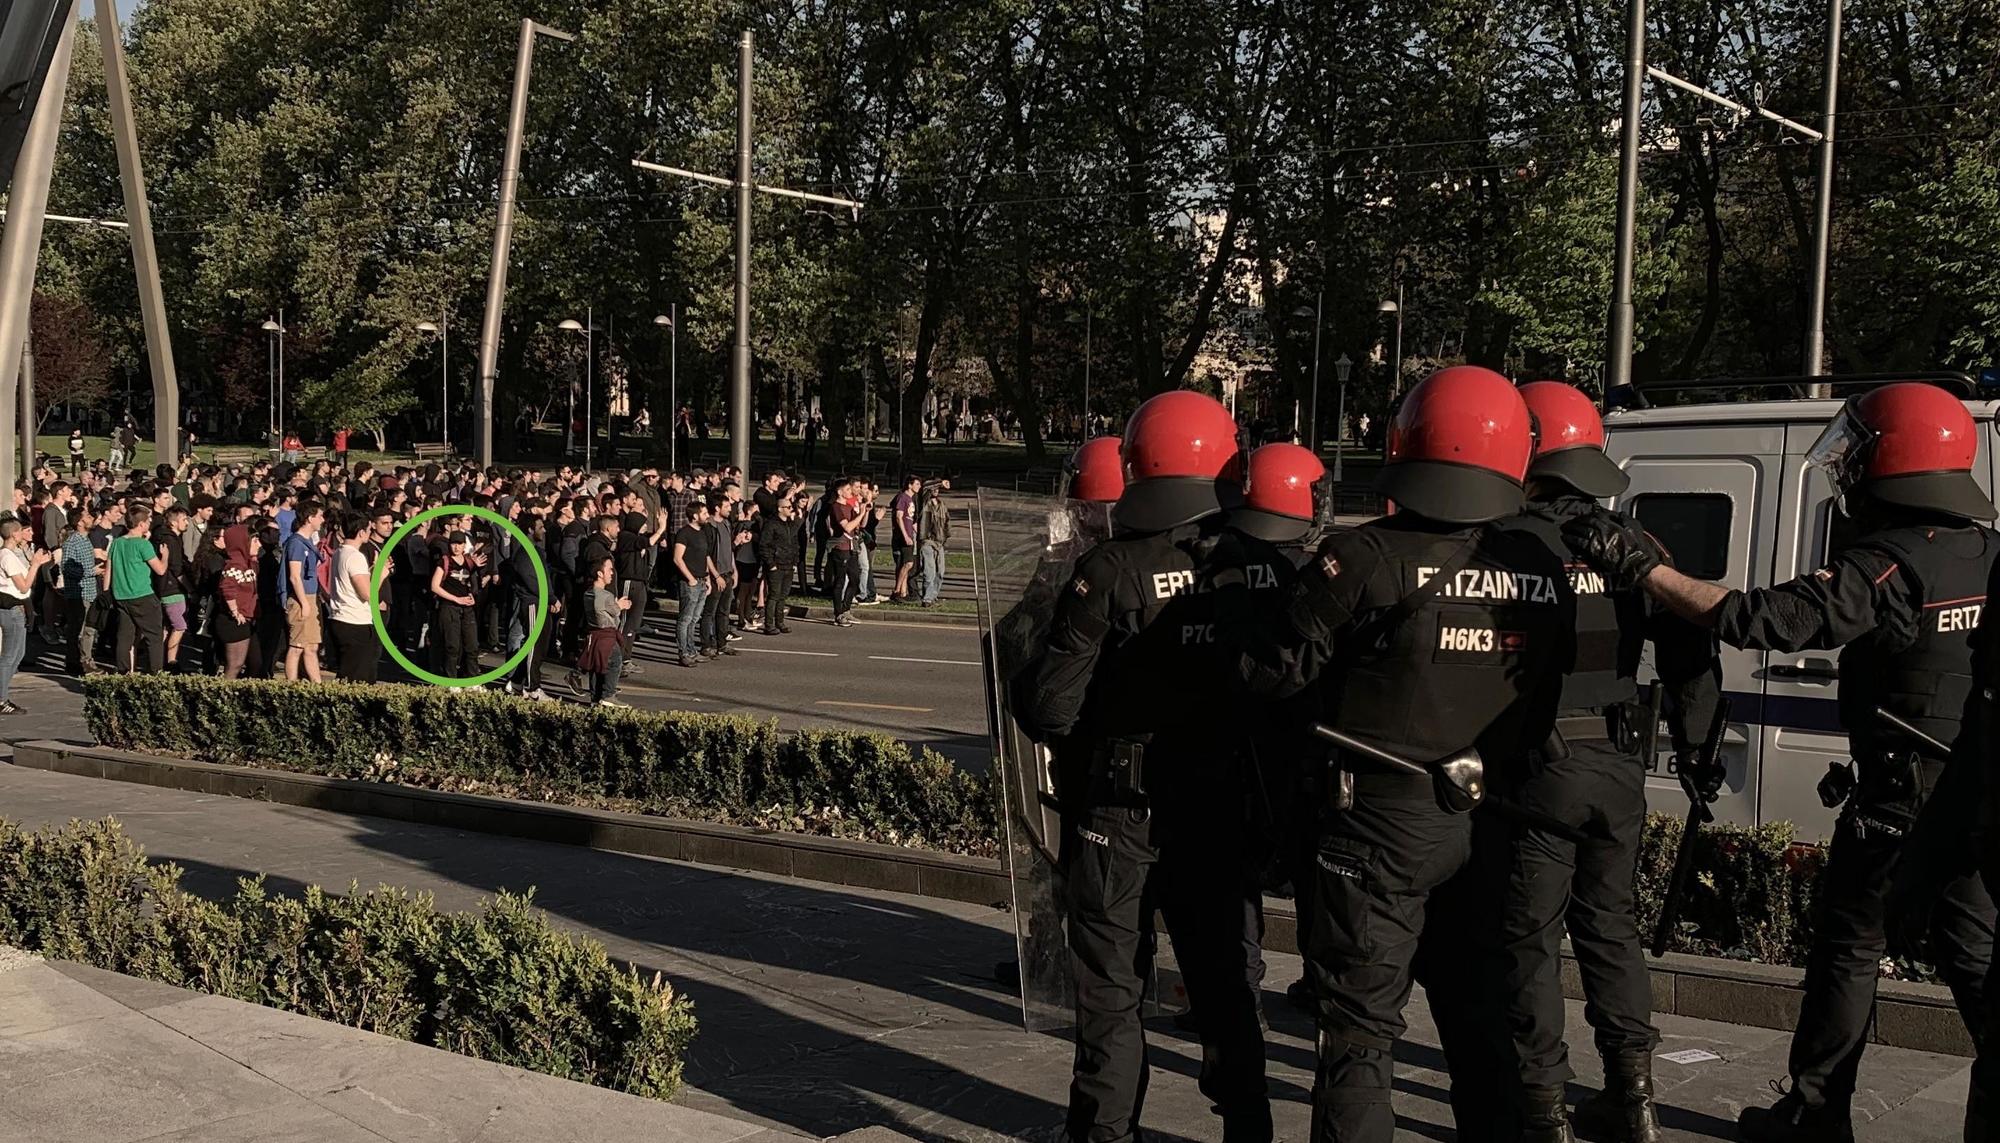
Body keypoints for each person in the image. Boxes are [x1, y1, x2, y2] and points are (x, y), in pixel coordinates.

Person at [1566, 380, 1999, 1143]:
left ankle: (1816, 1112)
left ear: (1889, 462)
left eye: (1858, 454)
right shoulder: (1987, 553)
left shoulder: (1888, 565)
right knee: (1972, 953)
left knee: (1849, 949)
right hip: (1973, 790)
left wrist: (1648, 572)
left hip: (1901, 797)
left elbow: (1759, 619)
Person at [1234, 366, 1578, 1143]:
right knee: (1478, 1020)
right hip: (1482, 817)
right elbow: (1540, 711)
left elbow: (1270, 673)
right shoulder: (1538, 566)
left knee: (1358, 1038)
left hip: (1372, 822)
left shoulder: (1363, 557)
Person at [1015, 390, 1272, 1143]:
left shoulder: (1112, 569)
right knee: (1226, 987)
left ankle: (1106, 1133)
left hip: (1120, 812)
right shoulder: (1256, 567)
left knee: (1113, 992)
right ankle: (1248, 1129)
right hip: (1216, 806)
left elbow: (1048, 707)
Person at [1499, 382, 1721, 1143]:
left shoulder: (1506, 540)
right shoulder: (1638, 546)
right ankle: (1635, 1097)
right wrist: (1697, 750)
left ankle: (1539, 1107)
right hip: (1620, 765)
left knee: (1529, 938)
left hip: (1536, 770)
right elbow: (1694, 652)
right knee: (1610, 932)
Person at [0, 519, 52, 713]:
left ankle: (2, 692)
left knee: (18, 654)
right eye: (21, 531)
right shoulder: (7, 556)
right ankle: (1, 699)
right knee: (9, 655)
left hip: (16, 608)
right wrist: (36, 564)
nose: (24, 533)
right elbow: (23, 586)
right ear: (14, 534)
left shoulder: (9, 555)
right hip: (11, 608)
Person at [110, 504, 168, 673]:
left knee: (125, 636)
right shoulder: (143, 545)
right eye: (148, 520)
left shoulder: (117, 543)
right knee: (155, 636)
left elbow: (110, 566)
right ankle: (156, 673)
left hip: (121, 594)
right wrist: (165, 556)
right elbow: (160, 569)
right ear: (141, 524)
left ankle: (124, 671)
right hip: (142, 594)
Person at [569, 555, 631, 707]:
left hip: (594, 635)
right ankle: (608, 694)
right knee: (615, 662)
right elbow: (607, 610)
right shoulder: (605, 595)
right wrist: (619, 606)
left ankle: (595, 698)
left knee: (597, 666)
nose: (612, 573)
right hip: (607, 636)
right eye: (609, 569)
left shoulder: (588, 593)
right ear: (599, 573)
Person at [328, 512, 378, 682]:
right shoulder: (355, 556)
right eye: (369, 530)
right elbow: (367, 593)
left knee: (347, 672)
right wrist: (381, 574)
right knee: (358, 677)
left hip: (340, 617)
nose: (370, 533)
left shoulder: (339, 553)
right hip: (355, 621)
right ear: (361, 532)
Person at [280, 502, 325, 681]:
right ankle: (291, 685)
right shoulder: (296, 544)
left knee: (311, 645)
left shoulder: (306, 543)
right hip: (301, 597)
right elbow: (295, 576)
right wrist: (304, 603)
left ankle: (317, 684)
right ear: (309, 518)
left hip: (311, 595)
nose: (322, 520)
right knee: (297, 645)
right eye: (319, 516)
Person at [57, 501, 104, 675]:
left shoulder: (86, 540)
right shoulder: (73, 542)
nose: (92, 518)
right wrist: (92, 571)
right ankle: (81, 662)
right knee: (80, 630)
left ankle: (80, 660)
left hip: (89, 591)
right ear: (79, 522)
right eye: (88, 517)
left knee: (87, 629)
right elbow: (67, 568)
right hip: (78, 593)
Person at [429, 530, 482, 678]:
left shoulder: (469, 562)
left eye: (459, 544)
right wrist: (455, 599)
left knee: (472, 646)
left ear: (465, 545)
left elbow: (472, 584)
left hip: (467, 609)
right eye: (453, 543)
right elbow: (435, 586)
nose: (456, 547)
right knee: (452, 646)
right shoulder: (444, 561)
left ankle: (471, 679)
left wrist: (472, 595)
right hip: (449, 607)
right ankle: (450, 679)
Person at [213, 524, 261, 679]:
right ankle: (222, 697)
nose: (259, 544)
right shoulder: (234, 565)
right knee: (234, 665)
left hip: (246, 619)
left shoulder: (249, 563)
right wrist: (235, 611)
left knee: (255, 663)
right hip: (234, 621)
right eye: (255, 541)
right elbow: (227, 588)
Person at [672, 499, 715, 667]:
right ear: (695, 515)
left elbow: (705, 557)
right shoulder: (684, 533)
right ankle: (683, 652)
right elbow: (677, 558)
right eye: (704, 513)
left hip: (702, 581)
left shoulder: (702, 532)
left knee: (694, 619)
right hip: (689, 582)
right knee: (685, 619)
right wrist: (690, 578)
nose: (707, 516)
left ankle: (692, 650)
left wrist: (708, 578)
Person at [757, 493, 801, 635]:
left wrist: (795, 561)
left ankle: (779, 622)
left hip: (788, 564)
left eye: (791, 507)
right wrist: (771, 564)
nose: (791, 509)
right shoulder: (771, 524)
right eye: (788, 507)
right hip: (776, 564)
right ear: (780, 508)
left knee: (783, 596)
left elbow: (795, 544)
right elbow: (764, 545)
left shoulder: (790, 525)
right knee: (774, 595)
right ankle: (769, 624)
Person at [827, 478, 863, 626]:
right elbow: (847, 527)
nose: (851, 492)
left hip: (851, 547)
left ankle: (846, 608)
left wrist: (863, 510)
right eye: (848, 490)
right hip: (840, 548)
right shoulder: (836, 507)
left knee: (855, 579)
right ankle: (838, 613)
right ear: (840, 492)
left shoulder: (849, 506)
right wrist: (860, 515)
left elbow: (859, 524)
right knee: (840, 580)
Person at [918, 478, 953, 606]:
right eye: (934, 489)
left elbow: (947, 522)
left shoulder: (942, 505)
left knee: (940, 572)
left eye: (937, 489)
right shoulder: (925, 502)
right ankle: (926, 598)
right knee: (929, 571)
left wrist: (945, 537)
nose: (936, 491)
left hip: (939, 543)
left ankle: (933, 596)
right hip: (927, 541)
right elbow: (926, 487)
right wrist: (941, 482)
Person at [891, 474, 920, 601]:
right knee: (908, 563)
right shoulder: (903, 498)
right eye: (917, 484)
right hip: (903, 536)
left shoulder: (911, 499)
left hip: (909, 534)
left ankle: (903, 593)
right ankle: (897, 590)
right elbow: (899, 517)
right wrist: (905, 535)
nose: (919, 486)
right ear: (910, 485)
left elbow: (912, 520)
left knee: (906, 564)